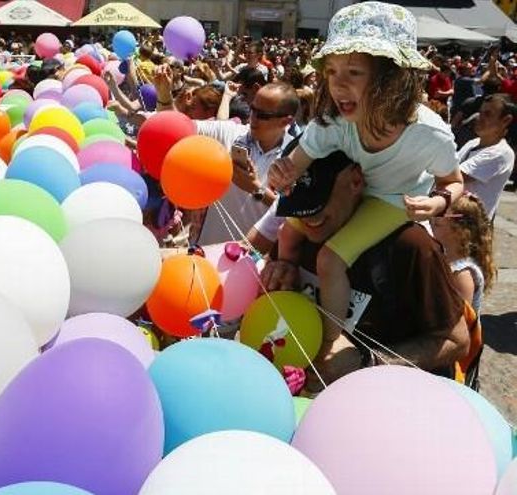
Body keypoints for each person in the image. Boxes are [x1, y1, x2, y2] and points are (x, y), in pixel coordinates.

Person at [268, 2, 463, 360]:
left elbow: (454, 182)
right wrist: (281, 173)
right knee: (287, 233)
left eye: (354, 71)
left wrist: (437, 203)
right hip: (350, 192)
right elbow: (293, 166)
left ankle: (328, 345)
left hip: (393, 201)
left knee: (330, 260)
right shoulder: (333, 123)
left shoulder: (430, 136)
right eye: (330, 71)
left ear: (392, 77)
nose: (337, 83)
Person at [262, 151, 470, 387]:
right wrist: (279, 272)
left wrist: (366, 364)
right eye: (298, 202)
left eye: (316, 200)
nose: (307, 216)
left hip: (380, 401)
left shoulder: (410, 246)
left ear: (356, 181)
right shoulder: (299, 234)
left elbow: (457, 341)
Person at [194, 82, 299, 252]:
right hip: (208, 251)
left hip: (252, 260)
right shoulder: (231, 133)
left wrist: (256, 189)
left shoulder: (297, 158)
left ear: (286, 121)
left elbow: (296, 214)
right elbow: (180, 127)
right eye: (253, 109)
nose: (253, 118)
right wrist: (164, 97)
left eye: (262, 115)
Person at [430, 193, 496, 317]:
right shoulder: (443, 257)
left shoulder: (462, 273)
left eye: (439, 217)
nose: (432, 220)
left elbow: (459, 319)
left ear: (460, 230)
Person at [458, 94, 515, 218]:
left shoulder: (501, 153)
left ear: (506, 121)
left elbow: (455, 176)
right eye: (480, 112)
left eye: (488, 114)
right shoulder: (472, 143)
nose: (479, 118)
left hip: (469, 225)